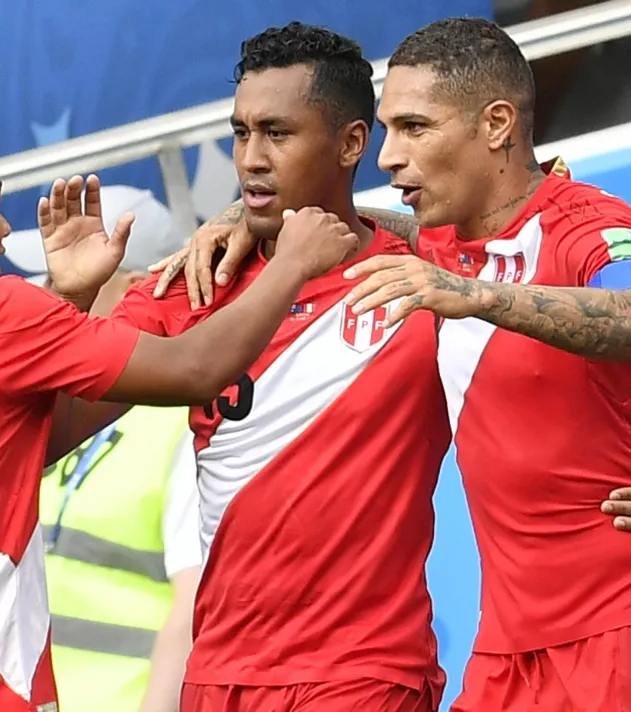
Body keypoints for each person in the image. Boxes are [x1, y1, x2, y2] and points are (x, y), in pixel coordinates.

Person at [0, 113, 356, 712]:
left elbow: (19, 439)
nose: (8, 232)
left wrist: (72, 301)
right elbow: (197, 368)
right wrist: (292, 265)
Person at [157, 17, 631, 712]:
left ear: (496, 124)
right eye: (386, 130)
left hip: (613, 630)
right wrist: (248, 212)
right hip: (505, 654)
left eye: (414, 128)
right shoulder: (438, 244)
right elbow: (365, 223)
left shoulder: (584, 225)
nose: (387, 156)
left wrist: (474, 297)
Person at [65, 22, 451, 712]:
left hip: (362, 673)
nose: (250, 158)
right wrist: (70, 299)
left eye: (277, 133)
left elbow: (536, 262)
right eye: (241, 133)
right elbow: (50, 432)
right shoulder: (191, 286)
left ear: (352, 143)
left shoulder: (424, 282)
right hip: (218, 677)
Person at [17, 188, 203, 712]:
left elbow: (193, 606)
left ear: (138, 287)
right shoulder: (40, 408)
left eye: (78, 271)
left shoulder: (180, 424)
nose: (46, 290)